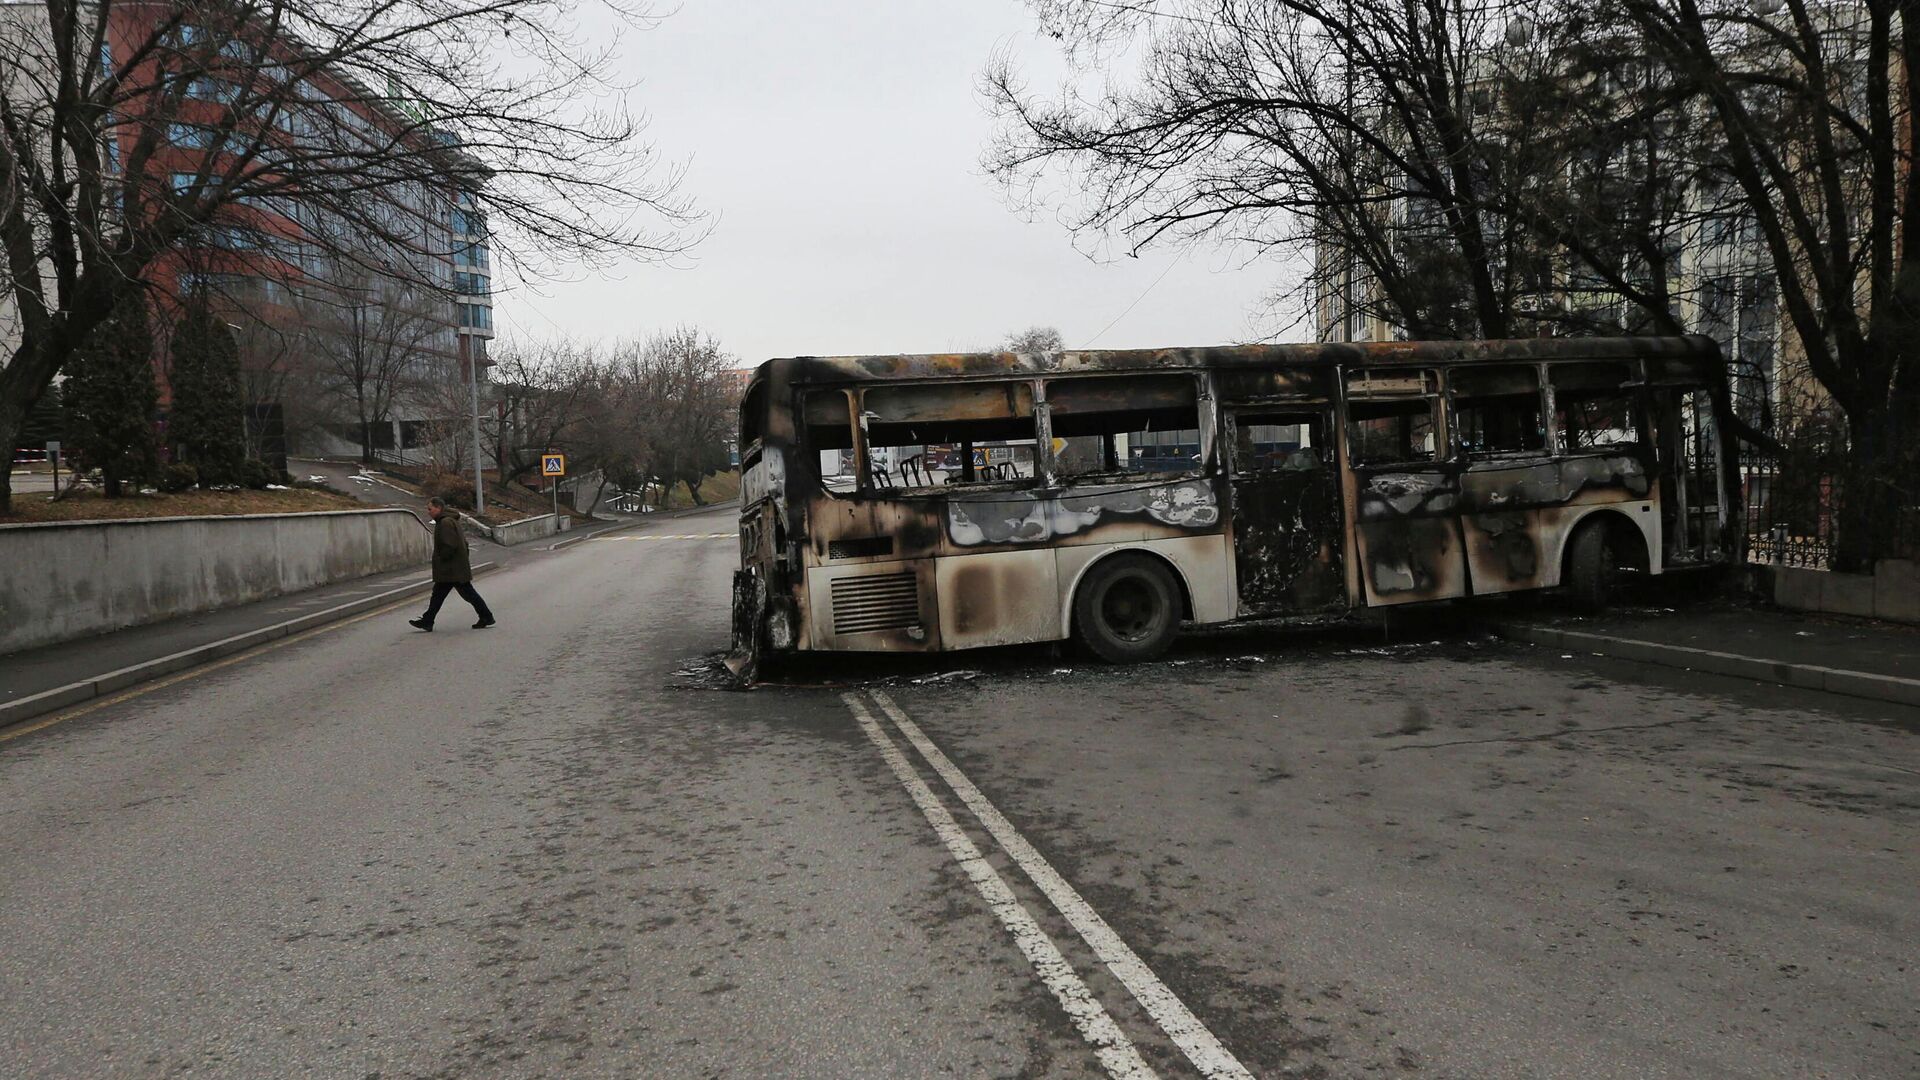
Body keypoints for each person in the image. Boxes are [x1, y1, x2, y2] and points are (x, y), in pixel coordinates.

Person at [410, 496, 495, 631]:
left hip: (451, 569)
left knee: (467, 594)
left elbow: (449, 545)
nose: (428, 511)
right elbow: (463, 544)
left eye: (430, 509)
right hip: (454, 568)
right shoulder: (449, 520)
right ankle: (428, 620)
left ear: (438, 508)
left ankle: (486, 616)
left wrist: (441, 558)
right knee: (440, 595)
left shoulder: (445, 523)